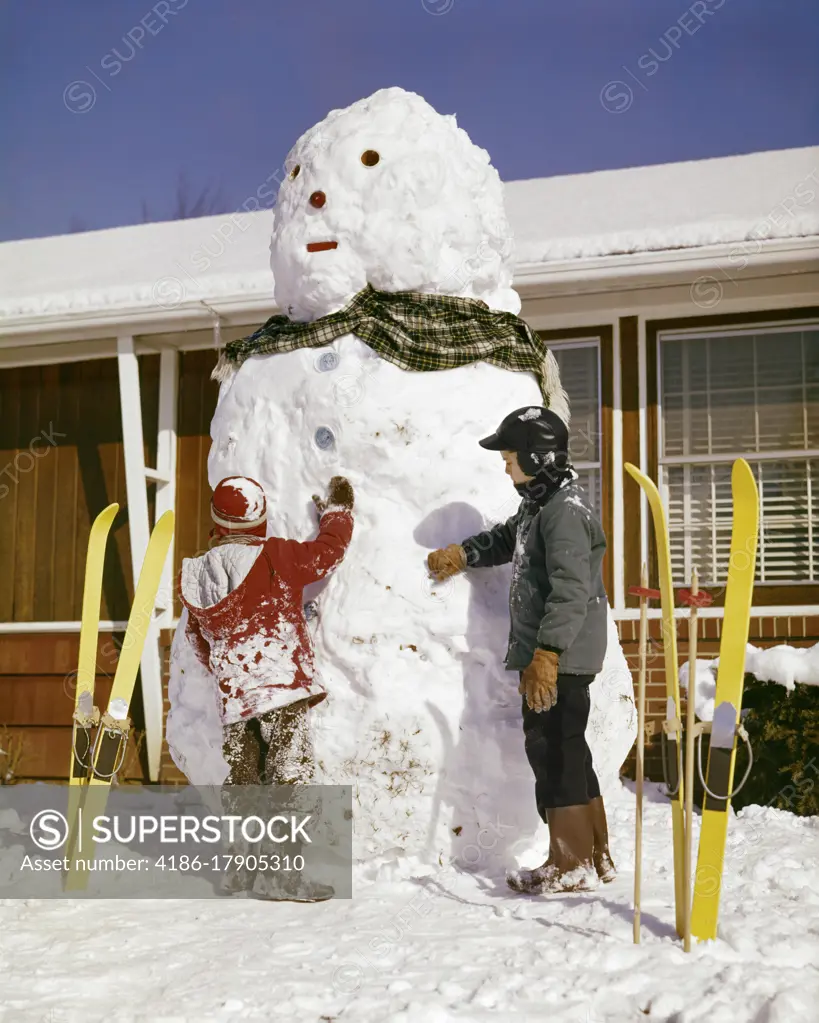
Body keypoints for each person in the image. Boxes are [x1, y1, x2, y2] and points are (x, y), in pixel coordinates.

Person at [427, 406, 616, 894]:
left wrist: (547, 654)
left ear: (538, 457)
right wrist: (464, 554)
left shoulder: (565, 513)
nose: (505, 465)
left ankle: (571, 863)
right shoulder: (541, 505)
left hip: (562, 656)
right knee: (565, 749)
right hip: (555, 654)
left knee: (556, 751)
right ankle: (592, 857)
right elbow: (512, 538)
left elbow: (571, 589)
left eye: (511, 457)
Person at [180, 473, 354, 901]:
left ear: (216, 521)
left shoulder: (197, 574)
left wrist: (227, 675)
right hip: (279, 690)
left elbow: (195, 639)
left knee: (243, 781)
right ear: (260, 518)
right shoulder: (274, 555)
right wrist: (338, 513)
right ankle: (281, 875)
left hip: (235, 699)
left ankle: (240, 870)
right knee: (287, 779)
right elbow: (326, 554)